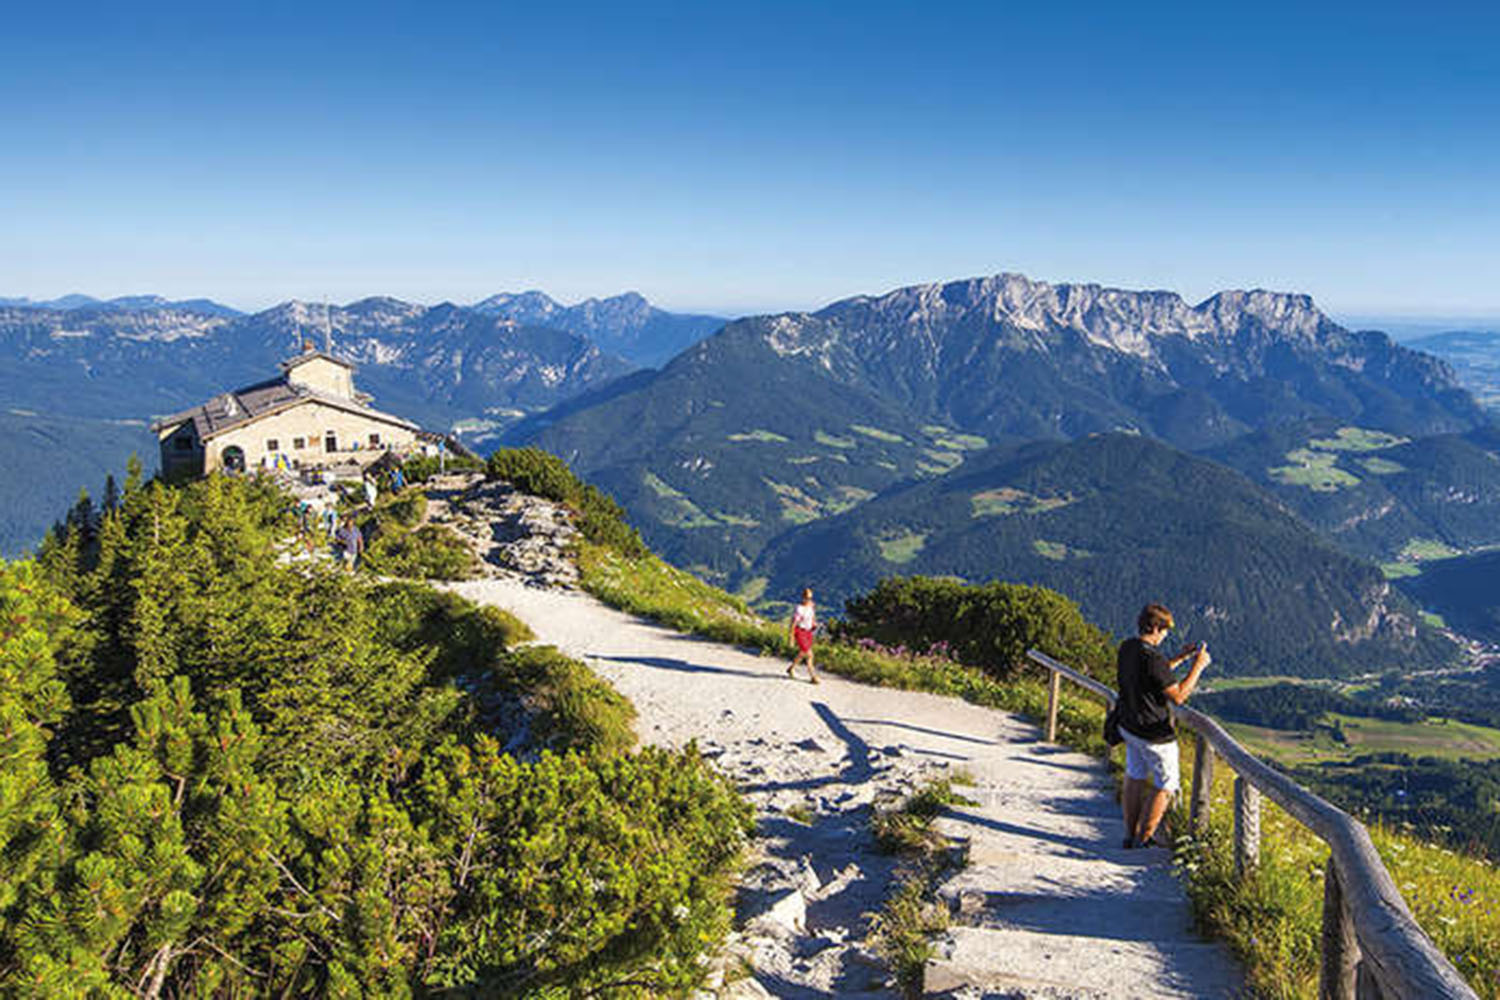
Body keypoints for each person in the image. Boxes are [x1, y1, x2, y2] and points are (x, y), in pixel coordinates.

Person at [1116, 603, 1211, 850]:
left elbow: (1153, 676)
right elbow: (1178, 696)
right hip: (1154, 734)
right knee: (1167, 783)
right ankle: (1145, 837)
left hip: (1130, 725)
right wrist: (1197, 667)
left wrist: (1180, 658)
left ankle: (1129, 834)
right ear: (1156, 627)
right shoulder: (1154, 658)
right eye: (1165, 629)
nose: (1166, 634)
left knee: (1135, 775)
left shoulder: (1128, 648)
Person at [786, 587, 819, 684]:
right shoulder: (799, 609)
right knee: (809, 654)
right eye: (807, 598)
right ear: (803, 597)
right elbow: (793, 623)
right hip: (800, 632)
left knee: (802, 653)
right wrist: (791, 637)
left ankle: (791, 668)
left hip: (808, 632)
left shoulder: (812, 606)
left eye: (810, 598)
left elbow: (813, 616)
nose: (809, 600)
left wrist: (814, 624)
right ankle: (813, 677)